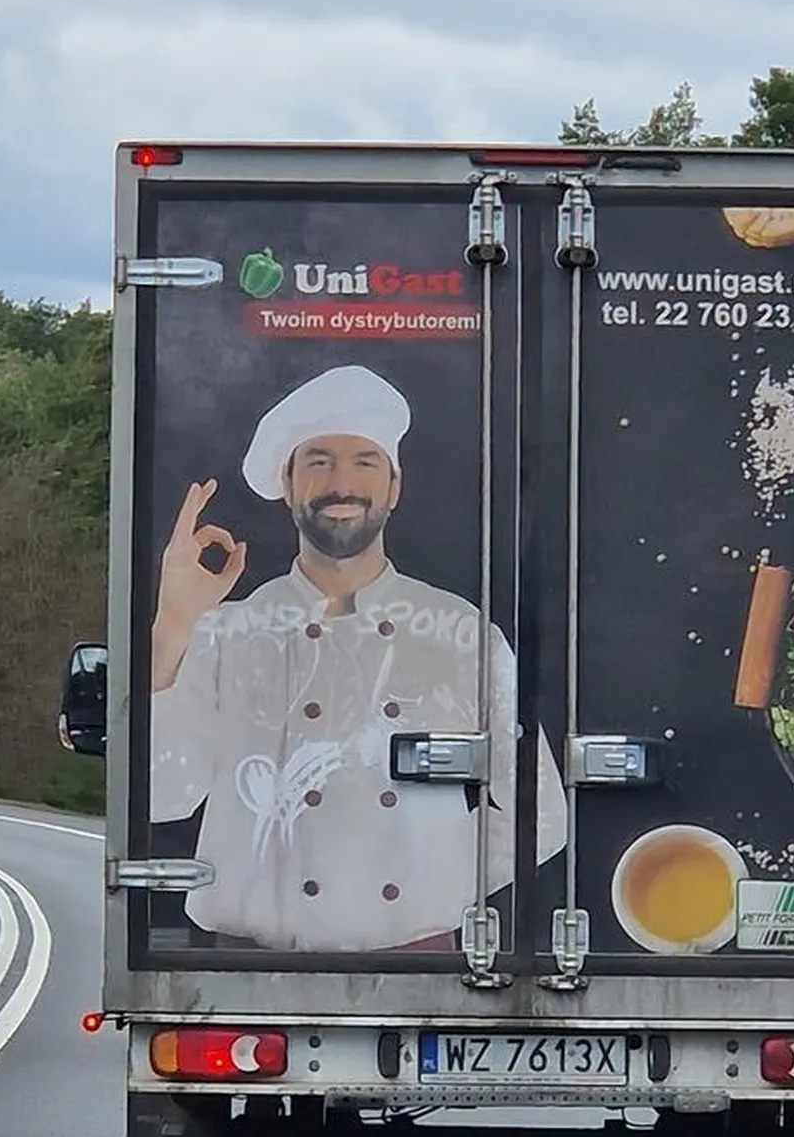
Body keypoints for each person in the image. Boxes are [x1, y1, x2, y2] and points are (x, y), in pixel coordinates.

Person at [150, 362, 566, 953]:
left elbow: (542, 812)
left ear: (394, 488)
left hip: (419, 958)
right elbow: (164, 795)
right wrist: (173, 626)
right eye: (318, 460)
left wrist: (437, 882)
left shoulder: (460, 633)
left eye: (364, 462)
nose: (341, 482)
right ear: (288, 485)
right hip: (252, 964)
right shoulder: (228, 632)